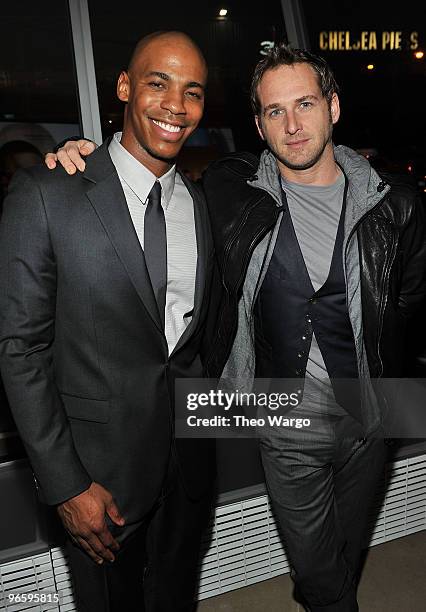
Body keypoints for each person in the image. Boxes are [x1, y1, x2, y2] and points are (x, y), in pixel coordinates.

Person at [51, 43, 426, 611]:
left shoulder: (394, 205)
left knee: (341, 555)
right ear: (258, 123)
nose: (293, 125)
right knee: (325, 579)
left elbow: (407, 303)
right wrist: (84, 157)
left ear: (334, 107)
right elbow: (148, 186)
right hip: (282, 415)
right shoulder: (233, 192)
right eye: (275, 111)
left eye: (305, 104)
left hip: (370, 414)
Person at [0, 31, 216, 612]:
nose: (176, 105)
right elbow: (20, 350)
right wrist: (66, 483)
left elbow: (185, 341)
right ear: (124, 87)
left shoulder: (197, 202)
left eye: (192, 91)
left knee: (174, 597)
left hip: (188, 463)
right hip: (100, 476)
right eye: (158, 83)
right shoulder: (48, 192)